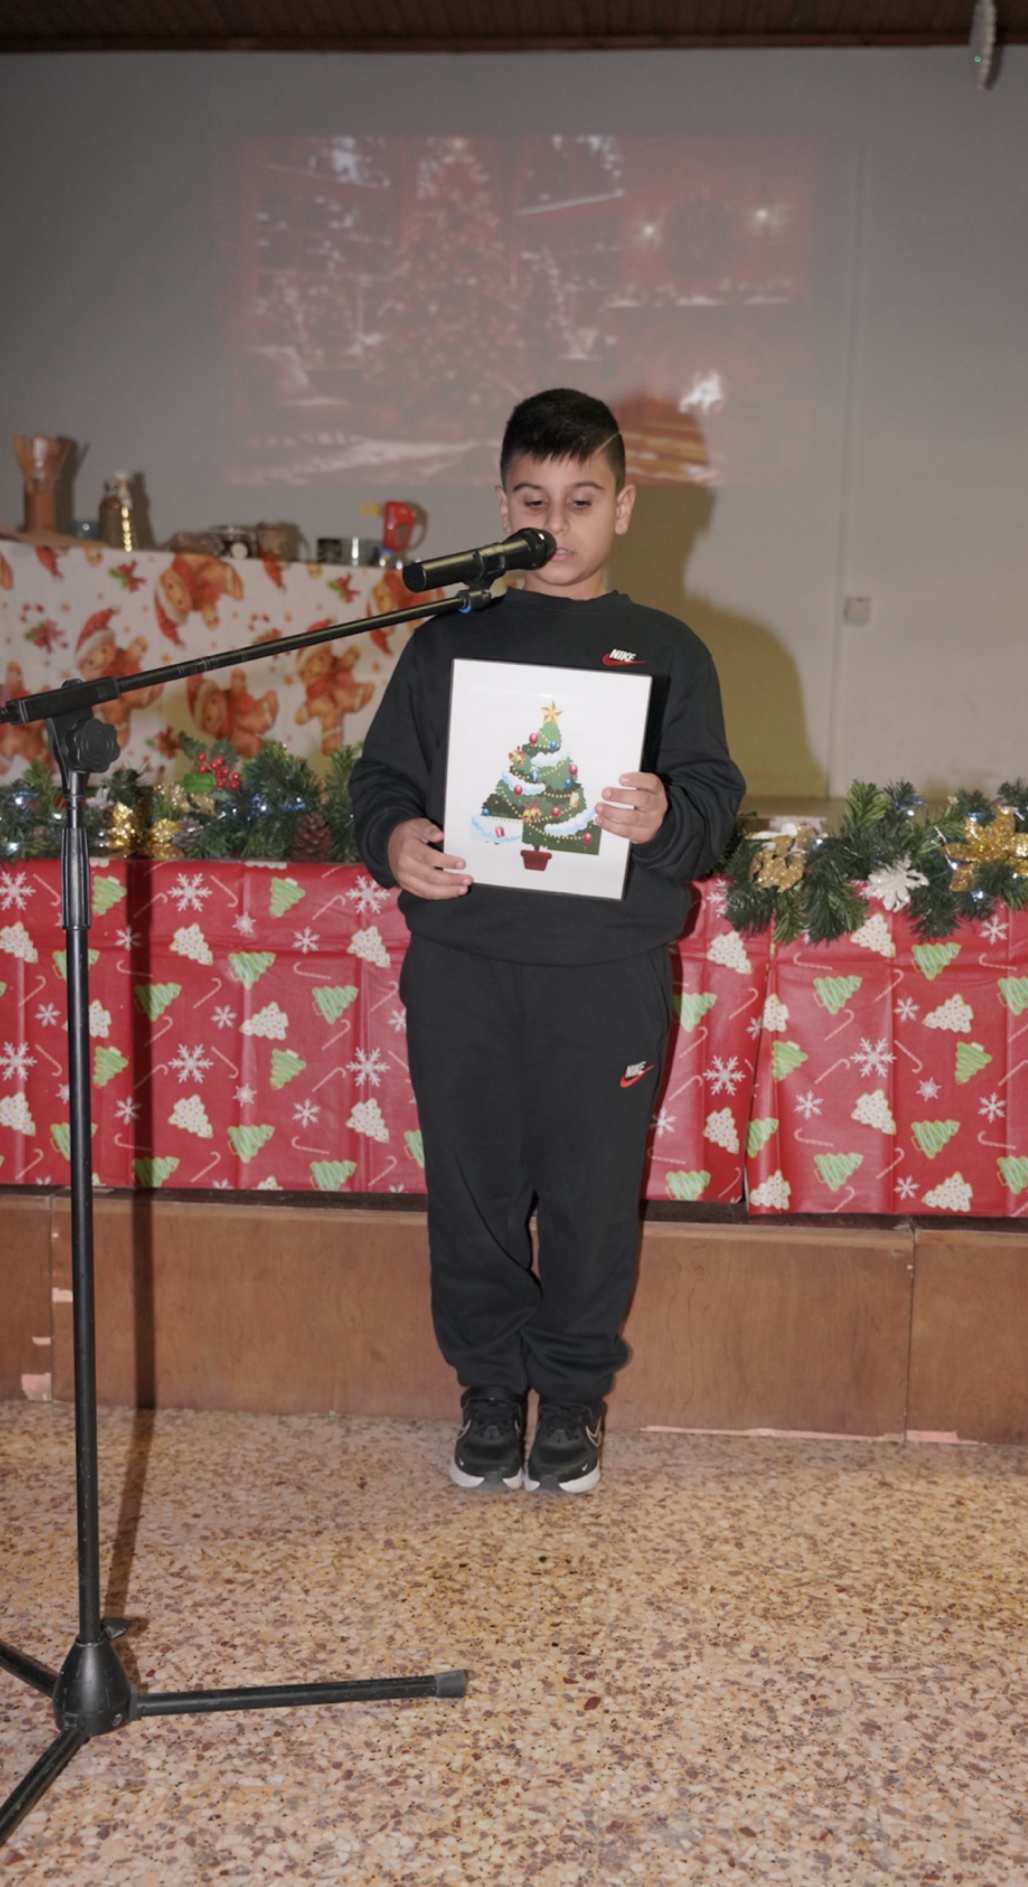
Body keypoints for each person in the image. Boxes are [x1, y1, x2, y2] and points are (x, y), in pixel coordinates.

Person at [350, 388, 744, 1495]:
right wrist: (395, 838)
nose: (557, 522)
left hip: (604, 975)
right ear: (501, 506)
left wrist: (667, 814)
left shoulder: (668, 651)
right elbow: (380, 781)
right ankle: (487, 1388)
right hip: (465, 965)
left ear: (624, 507)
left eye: (581, 500)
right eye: (534, 500)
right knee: (471, 1191)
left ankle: (570, 1396)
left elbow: (712, 805)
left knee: (589, 1192)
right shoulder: (446, 643)